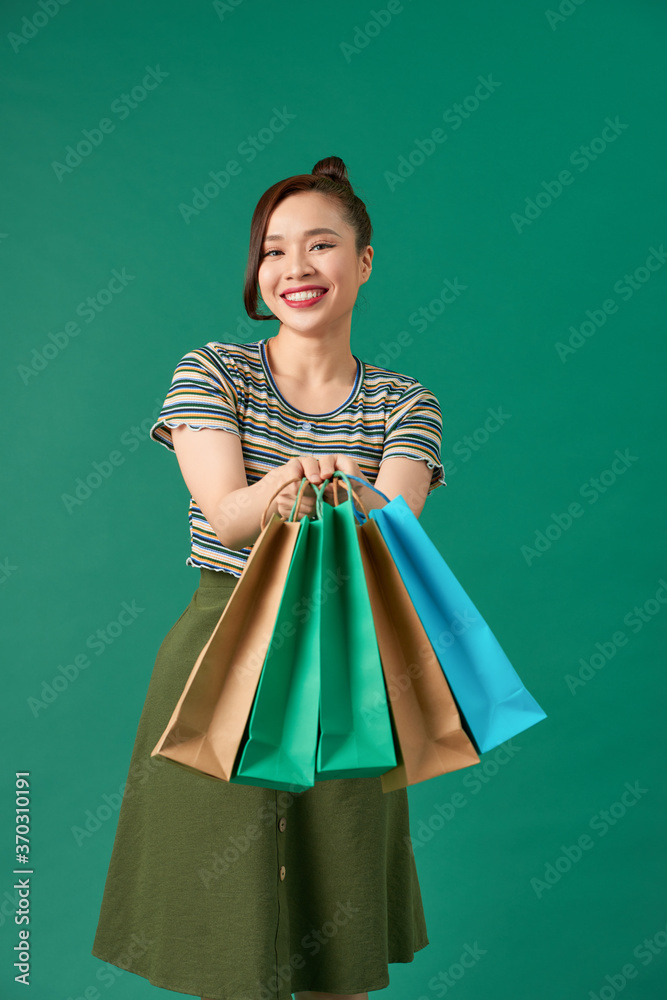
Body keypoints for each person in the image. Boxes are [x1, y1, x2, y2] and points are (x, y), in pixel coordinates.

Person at [90, 155, 447, 1000]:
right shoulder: (212, 371)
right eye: (274, 250)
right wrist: (299, 476)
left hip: (351, 660)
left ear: (362, 262)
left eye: (321, 246)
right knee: (223, 939)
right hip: (224, 650)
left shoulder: (406, 403)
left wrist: (337, 488)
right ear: (257, 270)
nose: (295, 268)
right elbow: (226, 514)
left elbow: (391, 533)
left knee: (340, 927)